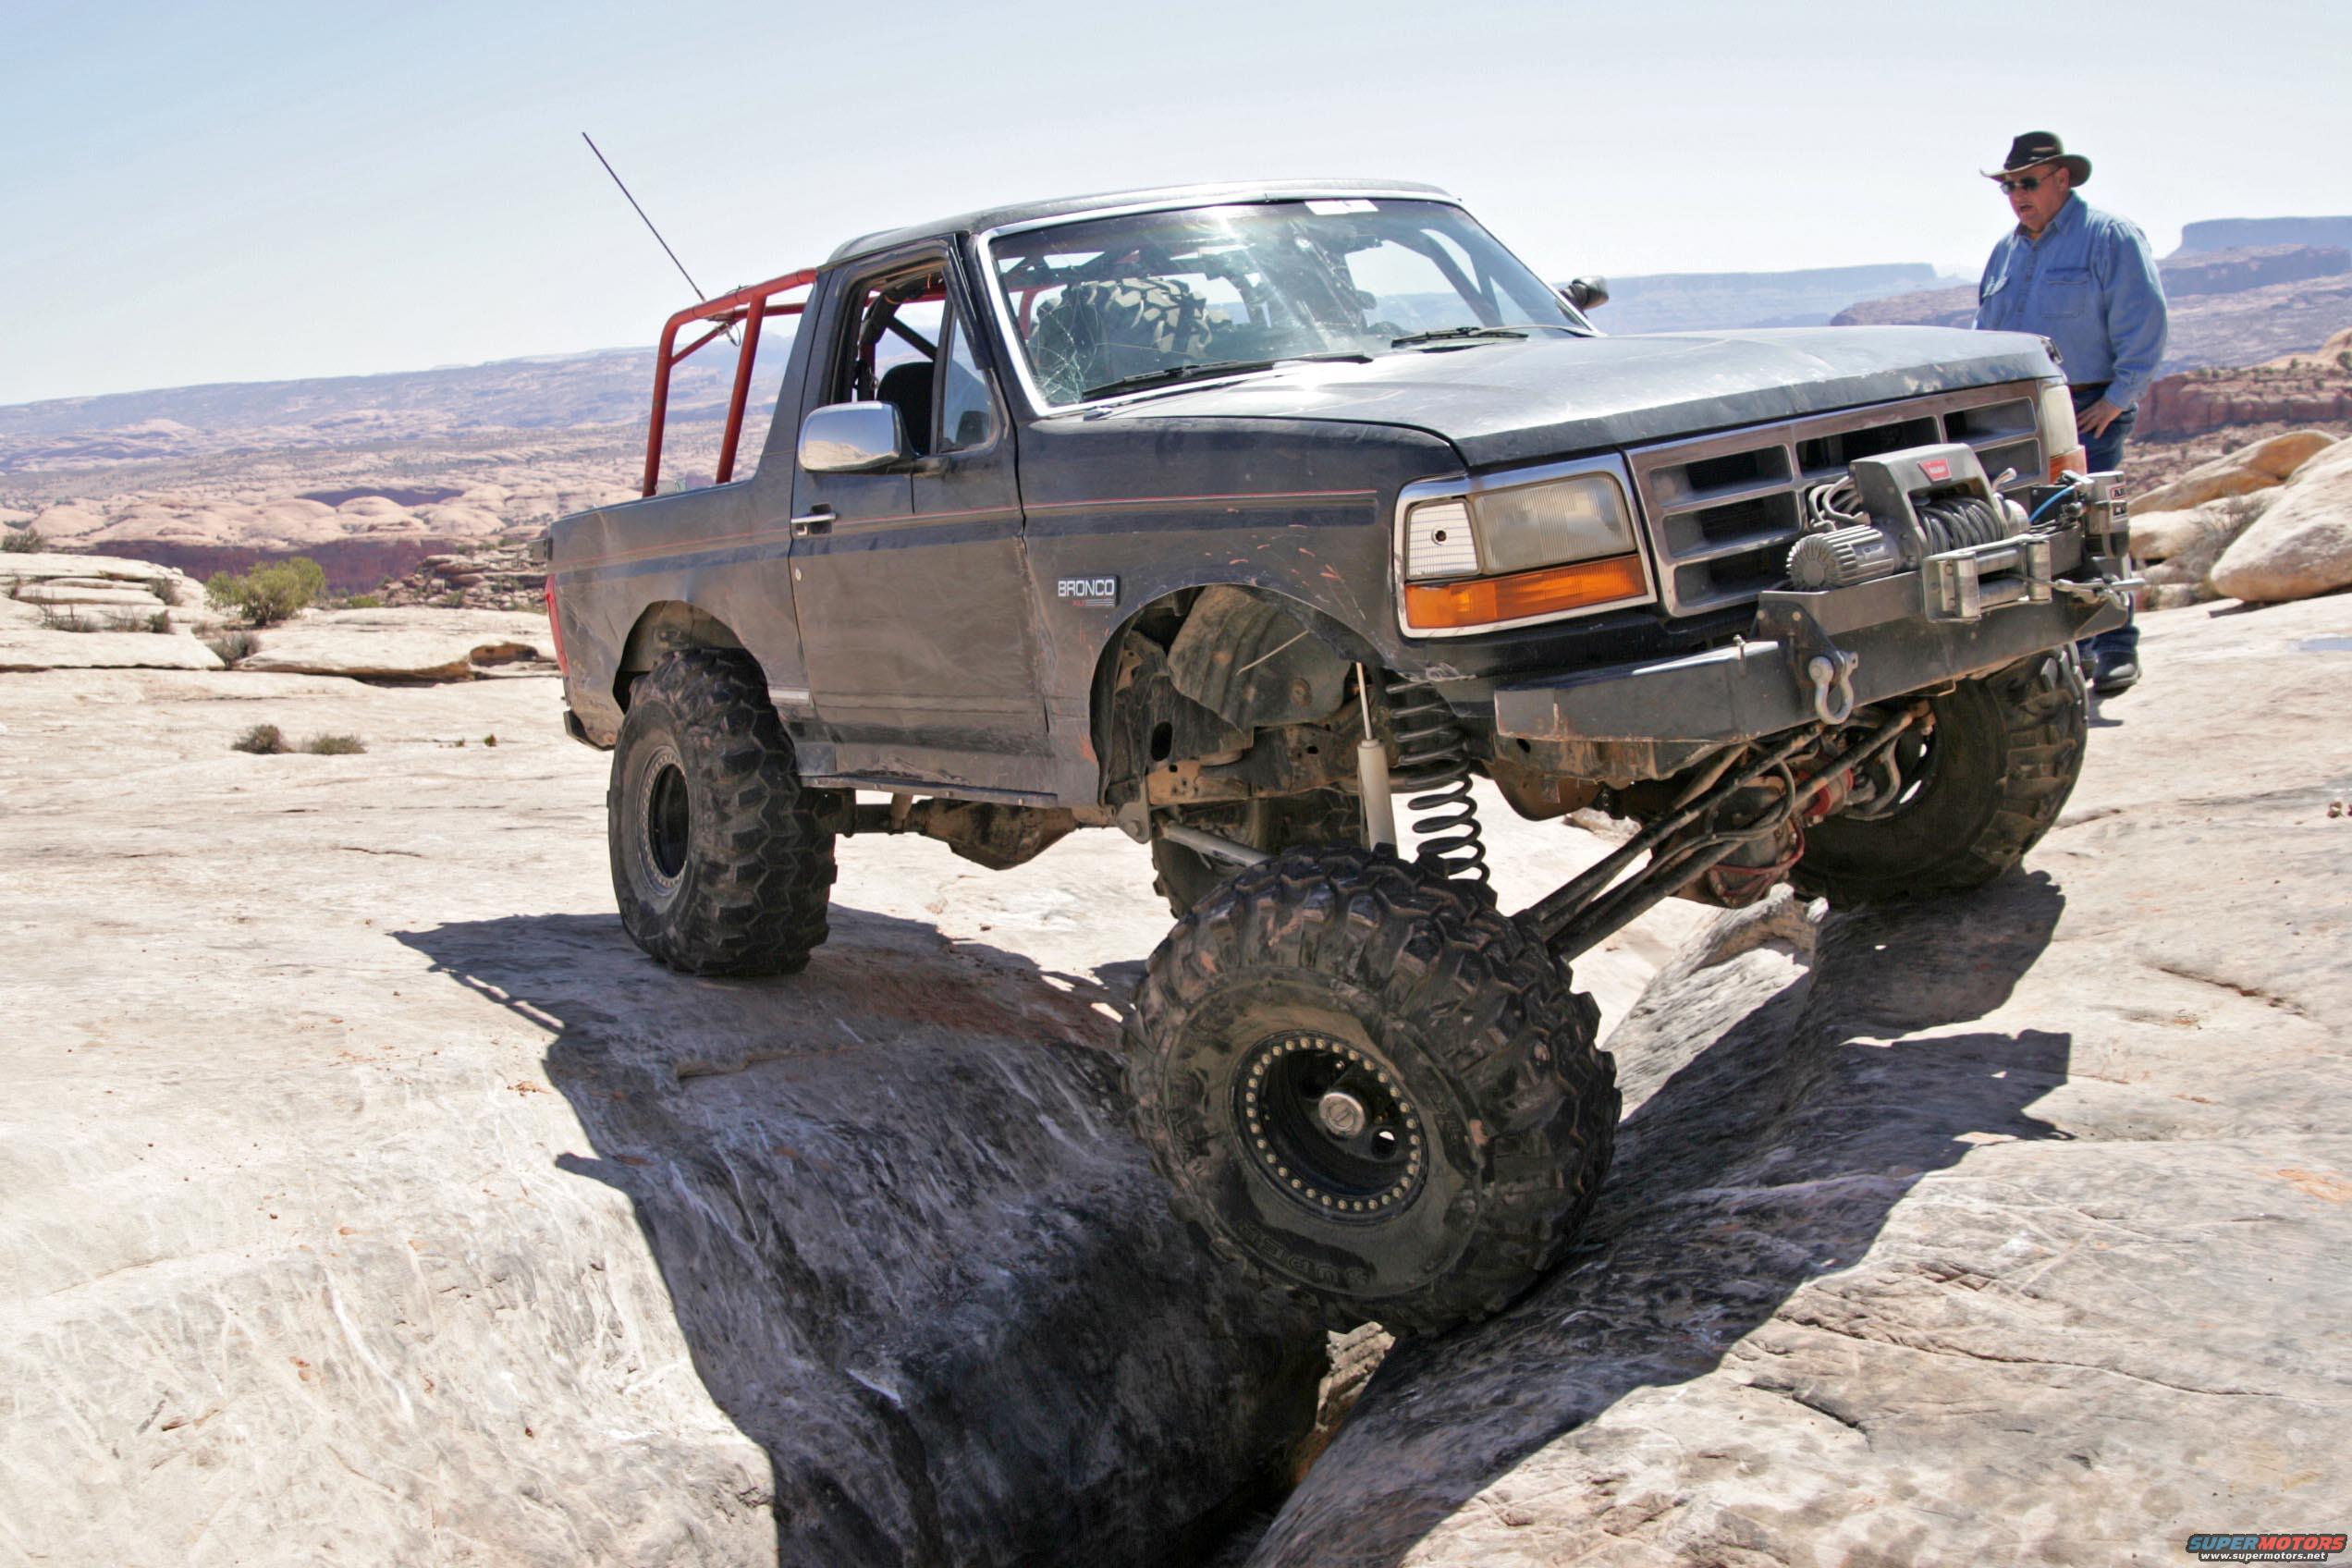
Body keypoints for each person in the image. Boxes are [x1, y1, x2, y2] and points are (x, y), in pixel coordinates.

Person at [1973, 130, 2167, 694]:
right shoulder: (2008, 250)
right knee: (2024, 529)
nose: (2016, 195)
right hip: (2015, 414)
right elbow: (1986, 333)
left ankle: (2113, 648)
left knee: (2087, 528)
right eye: (2009, 185)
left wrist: (2117, 398)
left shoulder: (2108, 238)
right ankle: (2064, 656)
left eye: (2028, 182)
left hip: (2086, 408)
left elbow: (2145, 323)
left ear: (2063, 178)